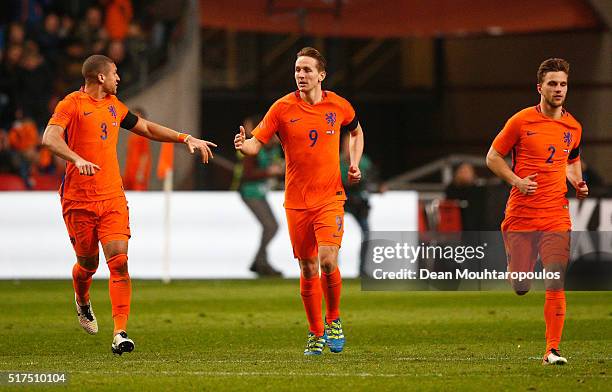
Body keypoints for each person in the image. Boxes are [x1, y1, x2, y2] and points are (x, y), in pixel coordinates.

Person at [42, 54, 216, 355]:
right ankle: (82, 300)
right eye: (115, 73)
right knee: (88, 264)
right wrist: (76, 158)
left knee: (119, 261)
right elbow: (49, 138)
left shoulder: (114, 106)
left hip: (111, 197)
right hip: (78, 199)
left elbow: (146, 128)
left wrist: (184, 137)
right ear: (100, 77)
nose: (118, 78)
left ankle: (119, 332)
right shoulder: (71, 104)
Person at [234, 47, 364, 355]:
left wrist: (353, 162)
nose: (301, 75)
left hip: (330, 198)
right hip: (296, 202)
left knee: (328, 260)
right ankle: (315, 332)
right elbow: (256, 143)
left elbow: (356, 132)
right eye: (297, 70)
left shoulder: (338, 105)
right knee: (307, 269)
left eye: (306, 70)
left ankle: (333, 320)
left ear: (321, 75)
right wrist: (244, 145)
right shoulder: (281, 108)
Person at [486, 58, 588, 366]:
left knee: (555, 279)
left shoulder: (573, 126)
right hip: (521, 214)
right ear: (539, 87)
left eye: (563, 84)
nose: (559, 89)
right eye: (553, 84)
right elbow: (493, 157)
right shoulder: (520, 121)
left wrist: (577, 182)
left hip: (556, 213)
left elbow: (571, 160)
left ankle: (552, 350)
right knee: (521, 286)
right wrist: (516, 180)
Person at [233, 114, 284, 277]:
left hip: (260, 192)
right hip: (250, 191)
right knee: (271, 226)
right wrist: (269, 172)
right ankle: (259, 261)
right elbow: (247, 173)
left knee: (271, 226)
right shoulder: (255, 147)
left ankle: (261, 262)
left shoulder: (273, 149)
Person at [340, 132, 373, 277]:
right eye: (347, 145)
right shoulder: (336, 161)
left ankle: (362, 269)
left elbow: (371, 178)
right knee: (332, 234)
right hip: (340, 201)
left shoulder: (363, 161)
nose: (350, 148)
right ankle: (332, 268)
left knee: (366, 233)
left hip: (357, 203)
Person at [123, 107, 151, 190]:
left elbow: (145, 155)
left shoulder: (143, 135)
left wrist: (141, 172)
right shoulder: (132, 135)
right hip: (130, 170)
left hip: (138, 171)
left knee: (138, 194)